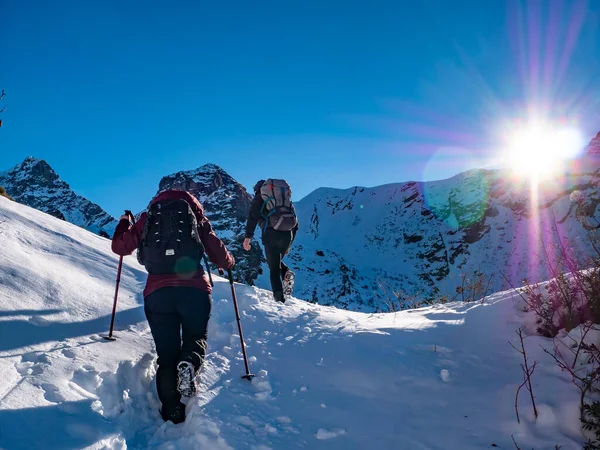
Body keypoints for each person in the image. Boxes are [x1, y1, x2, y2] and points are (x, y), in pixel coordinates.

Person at [111, 189, 234, 425]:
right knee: (195, 337)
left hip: (158, 294)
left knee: (166, 356)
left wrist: (124, 223)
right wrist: (229, 262)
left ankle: (172, 412)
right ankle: (189, 361)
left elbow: (120, 247)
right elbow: (219, 255)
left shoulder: (149, 218)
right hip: (195, 291)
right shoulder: (196, 219)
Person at [243, 179, 298, 303]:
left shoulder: (259, 199)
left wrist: (247, 237)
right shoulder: (284, 201)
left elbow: (252, 217)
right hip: (287, 235)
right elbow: (295, 223)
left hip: (271, 234)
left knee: (273, 269)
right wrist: (289, 243)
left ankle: (279, 301)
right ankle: (286, 273)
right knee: (275, 262)